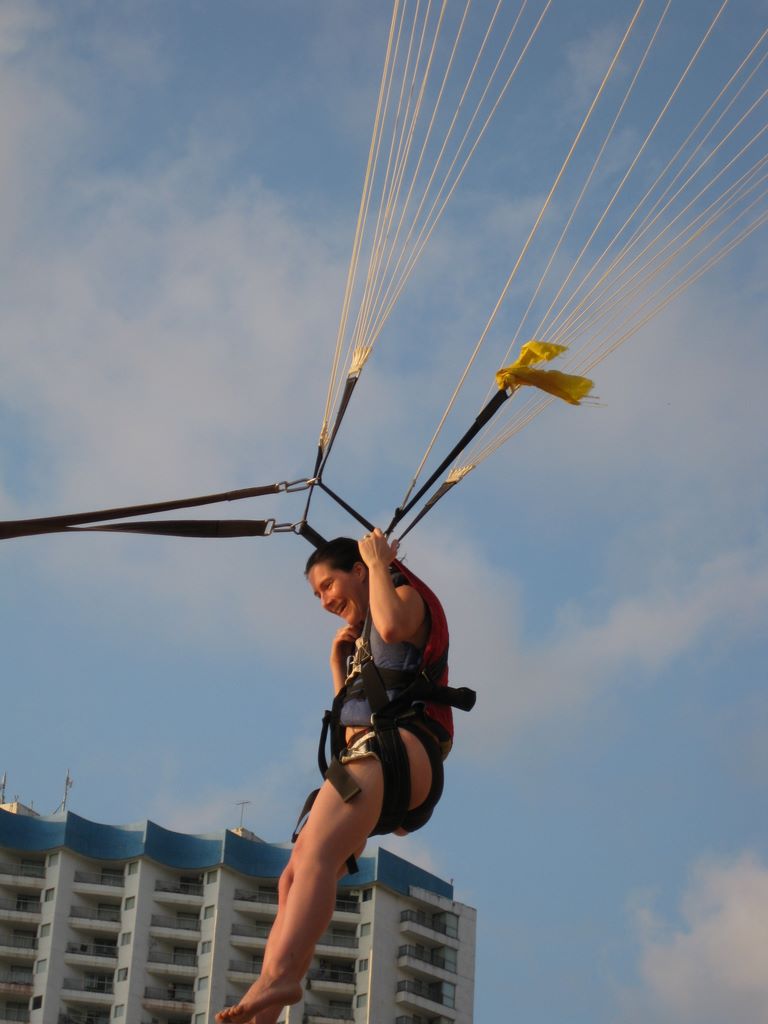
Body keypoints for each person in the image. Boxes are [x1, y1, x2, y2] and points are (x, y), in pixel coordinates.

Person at [216, 527, 463, 1024]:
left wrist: (378, 562)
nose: (325, 600)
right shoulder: (364, 638)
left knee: (316, 858)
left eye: (328, 585)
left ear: (358, 570)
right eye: (317, 595)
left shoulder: (404, 599)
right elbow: (355, 715)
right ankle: (265, 1009)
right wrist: (339, 663)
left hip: (396, 752)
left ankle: (281, 977)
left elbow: (391, 628)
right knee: (294, 876)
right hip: (375, 762)